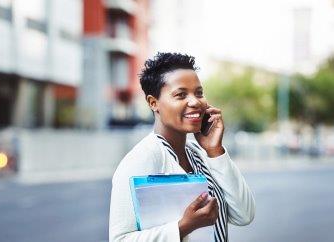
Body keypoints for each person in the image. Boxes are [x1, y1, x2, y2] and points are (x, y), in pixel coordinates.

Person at [109, 52, 255, 242]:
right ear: (154, 103)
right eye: (181, 94)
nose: (195, 102)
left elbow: (244, 215)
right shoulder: (143, 158)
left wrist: (215, 151)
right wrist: (184, 226)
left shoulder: (199, 155)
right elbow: (120, 239)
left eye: (199, 93)